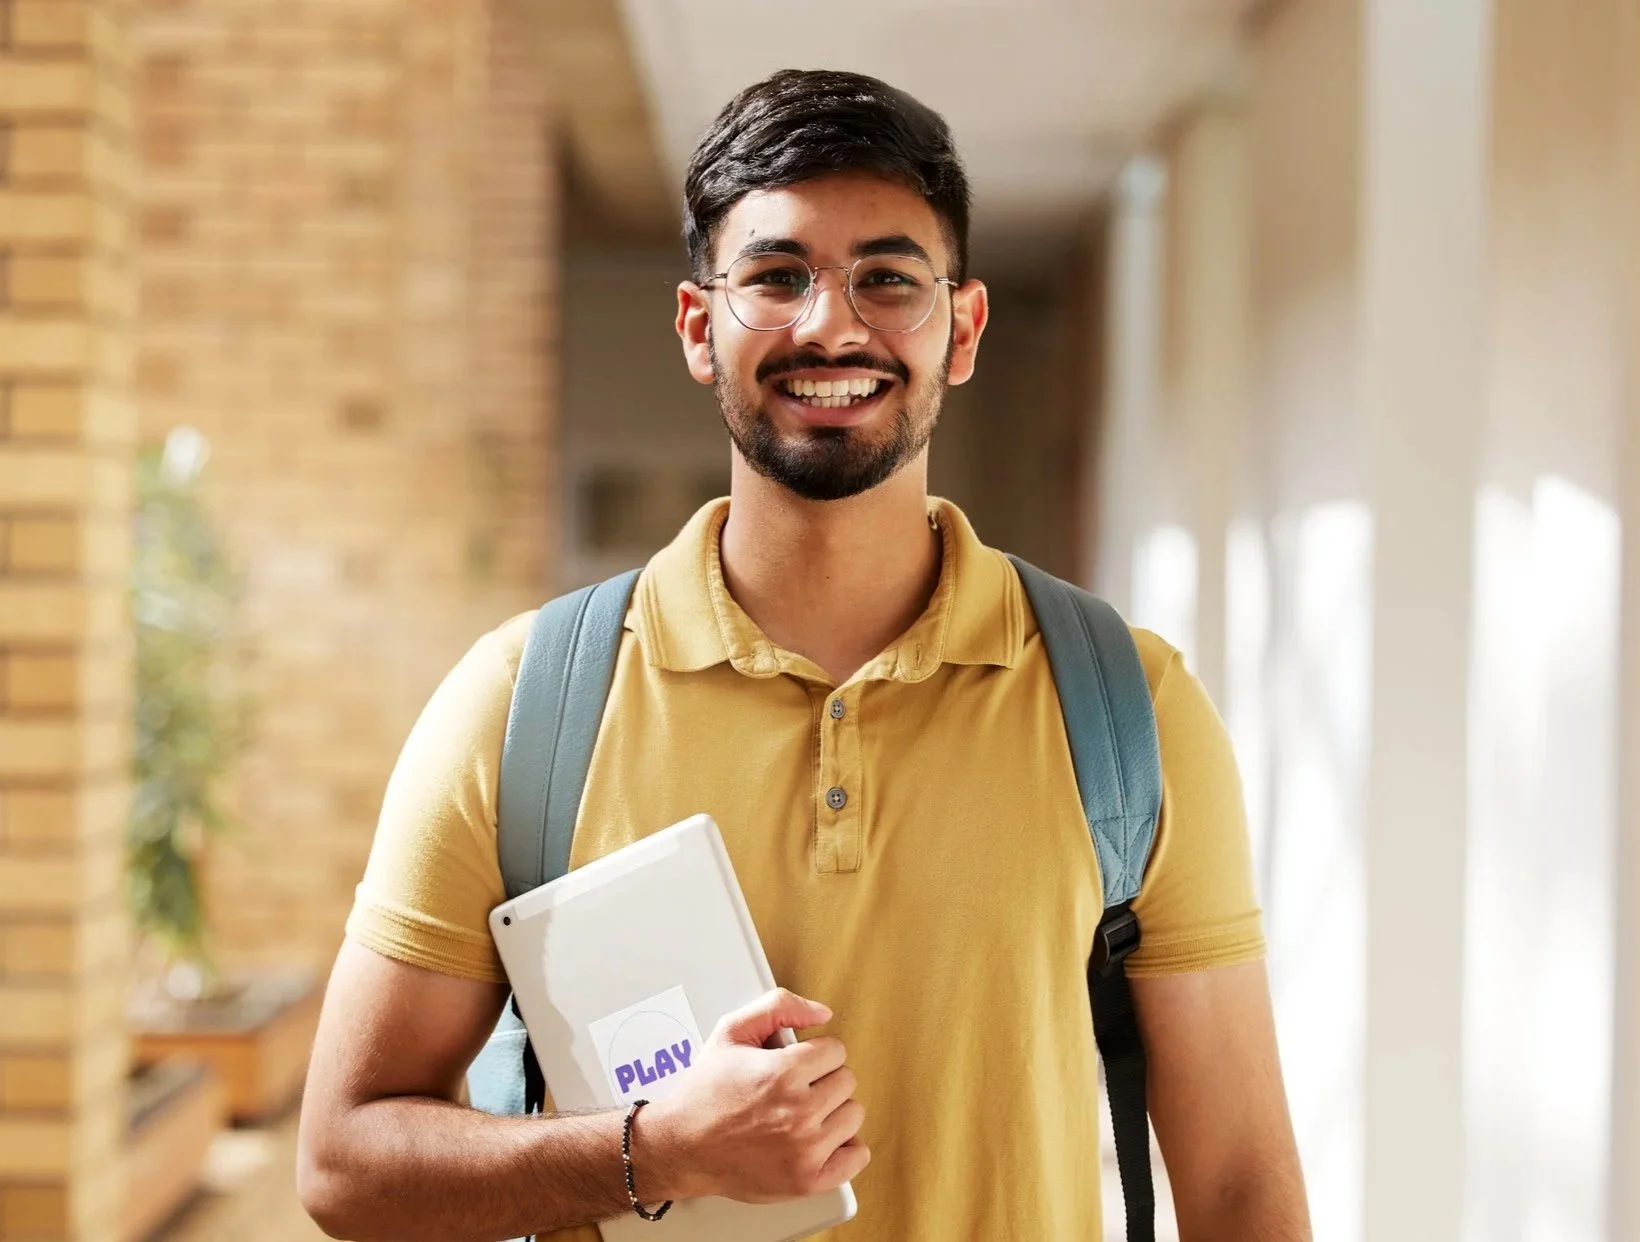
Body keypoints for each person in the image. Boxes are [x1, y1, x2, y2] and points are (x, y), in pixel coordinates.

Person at [297, 68, 1311, 1242]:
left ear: (962, 328)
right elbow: (345, 1161)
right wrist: (653, 1152)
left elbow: (1238, 1183)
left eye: (888, 278)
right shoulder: (522, 705)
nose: (832, 325)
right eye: (777, 277)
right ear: (698, 327)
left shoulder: (1131, 708)